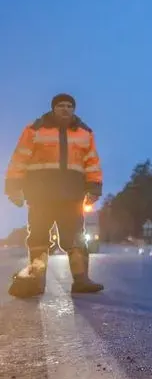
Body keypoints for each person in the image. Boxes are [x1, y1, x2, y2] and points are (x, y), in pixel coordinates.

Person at [5, 94, 105, 297]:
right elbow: (19, 159)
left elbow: (91, 162)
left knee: (75, 238)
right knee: (39, 238)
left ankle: (81, 280)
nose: (66, 109)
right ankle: (36, 282)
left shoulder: (85, 132)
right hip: (41, 195)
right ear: (53, 108)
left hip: (72, 195)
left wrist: (94, 188)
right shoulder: (35, 130)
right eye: (61, 106)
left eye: (69, 106)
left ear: (74, 109)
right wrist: (13, 187)